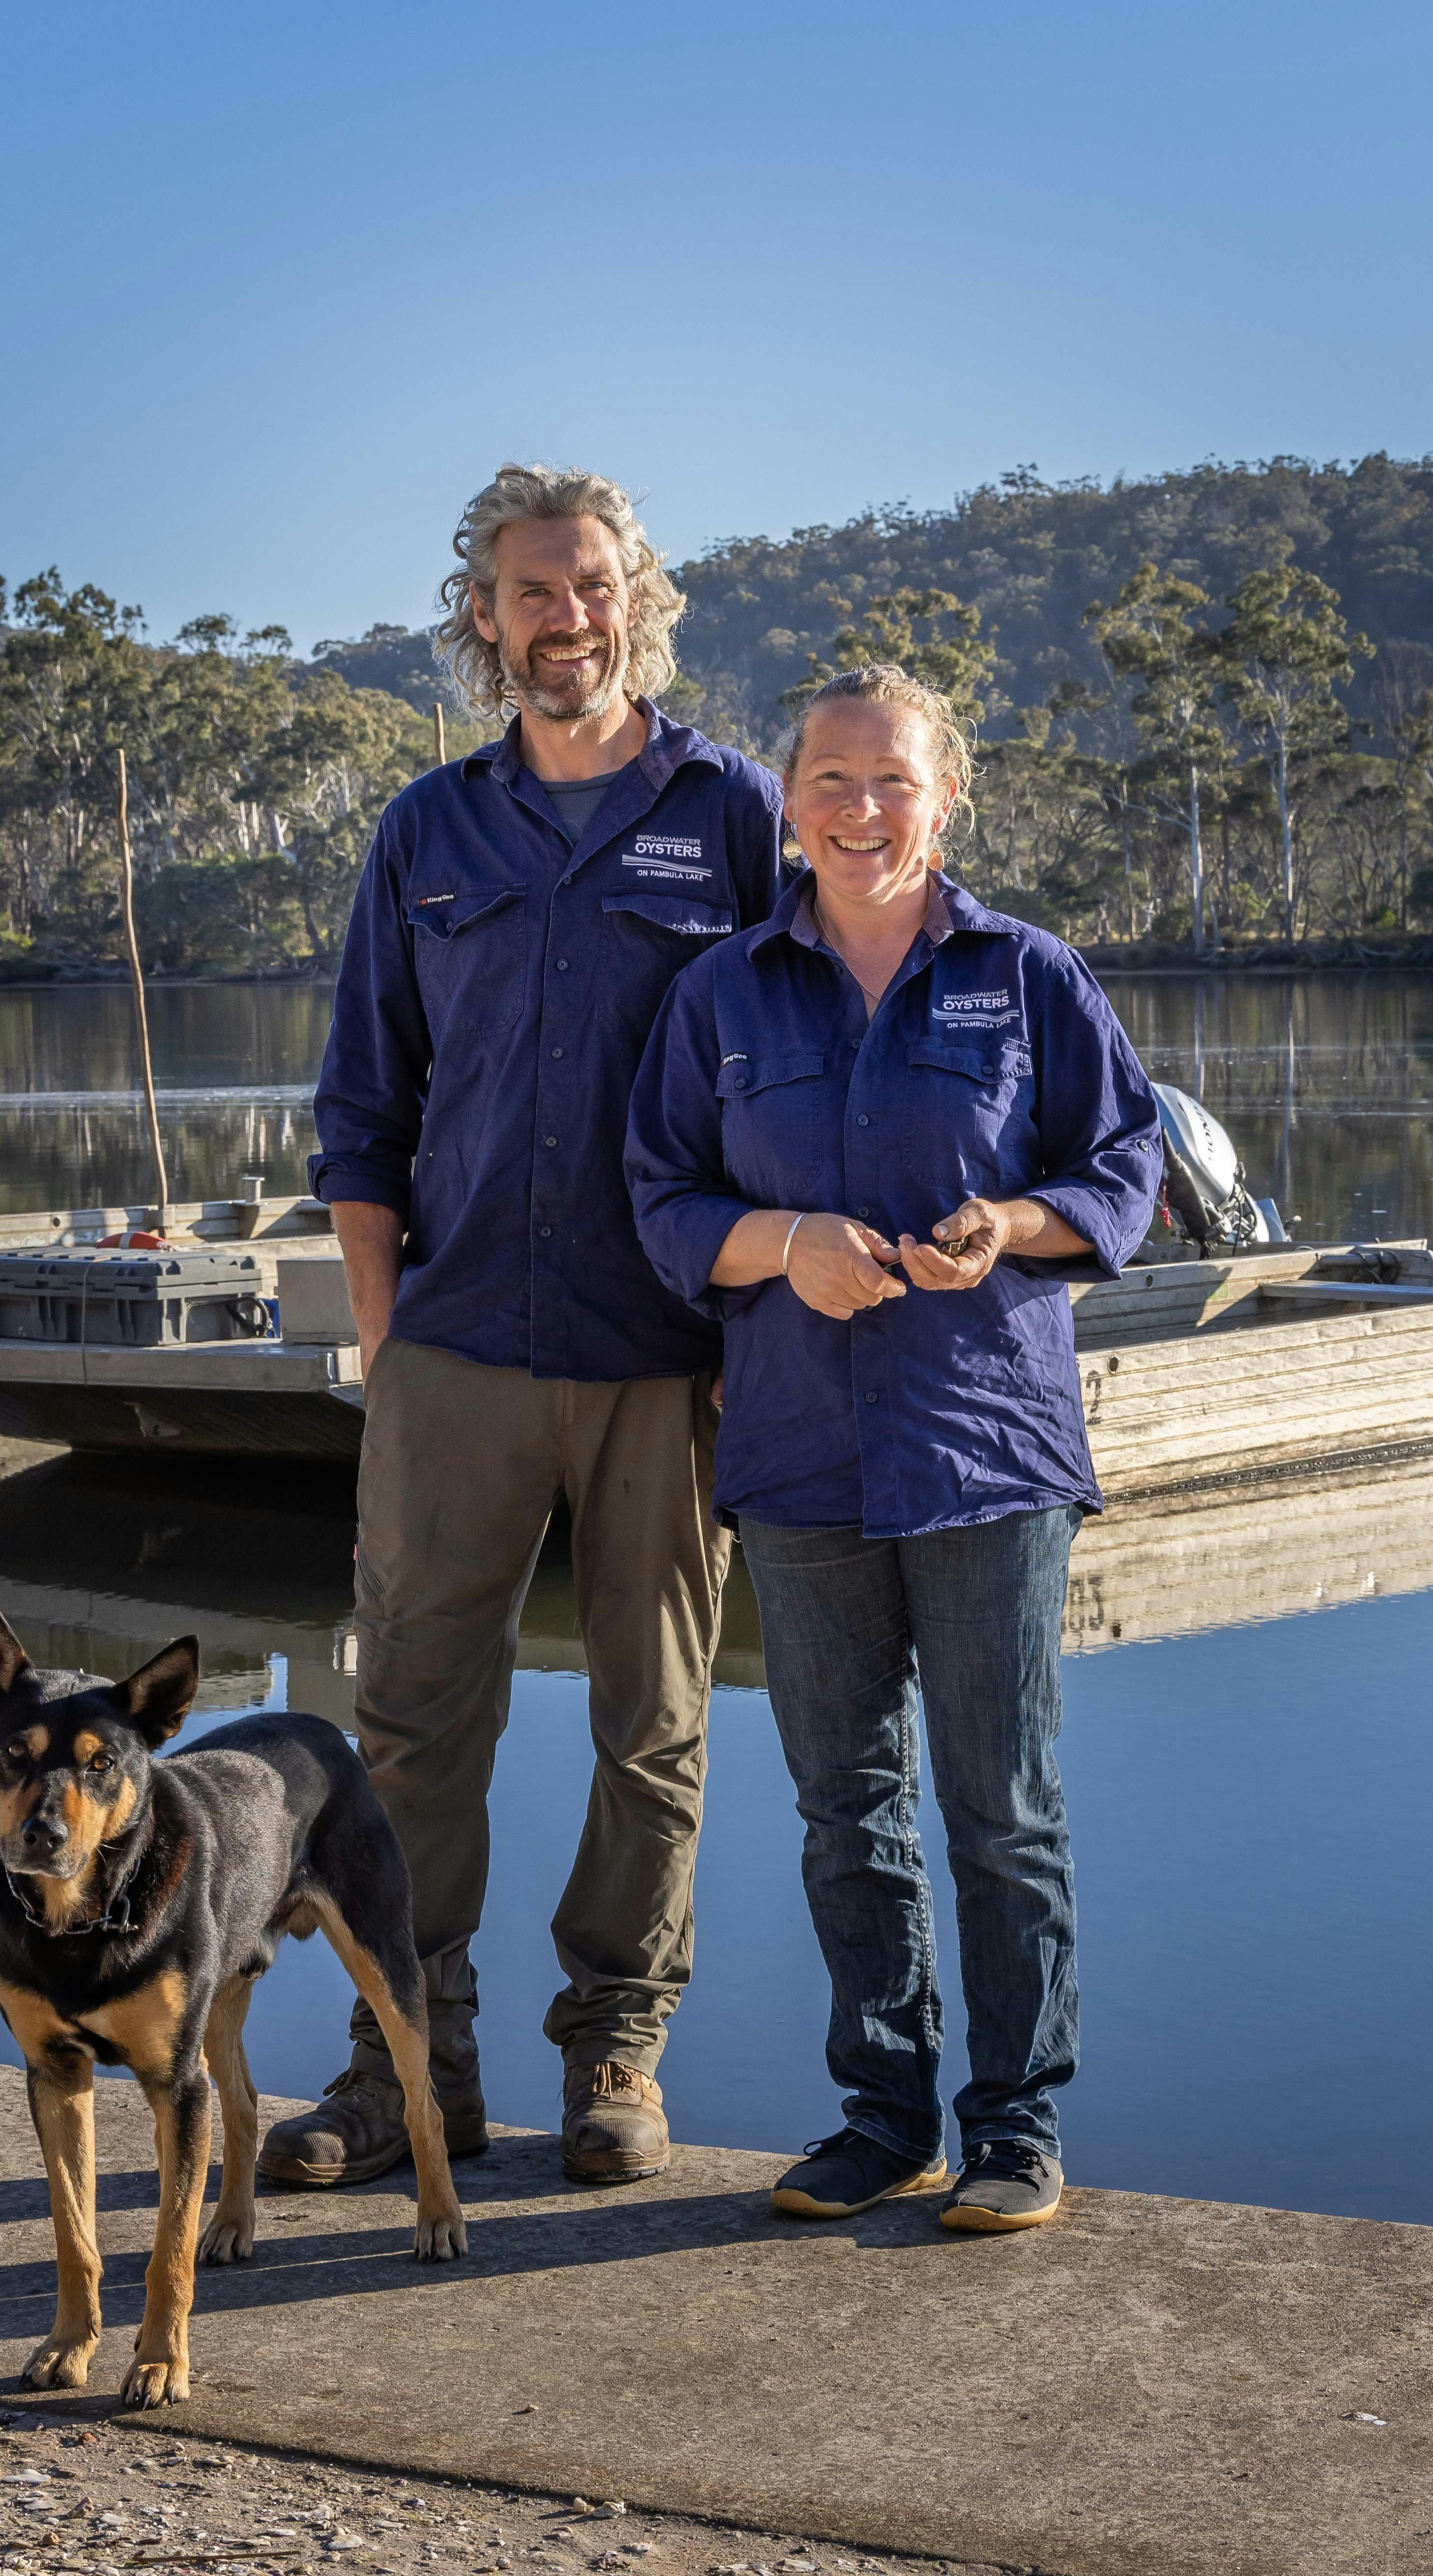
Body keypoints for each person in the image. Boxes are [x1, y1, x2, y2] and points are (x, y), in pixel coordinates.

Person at [267, 465, 784, 2193]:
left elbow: (799, 1065)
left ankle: (615, 2062)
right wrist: (390, 1336)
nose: (565, 619)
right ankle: (404, 2068)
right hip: (460, 1351)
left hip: (666, 1355)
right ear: (480, 620)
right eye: (529, 594)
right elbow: (364, 1101)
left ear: (638, 597)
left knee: (654, 1723)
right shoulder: (428, 833)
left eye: (591, 586)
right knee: (412, 1724)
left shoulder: (736, 818)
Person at [625, 665, 1161, 2231]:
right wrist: (782, 1242)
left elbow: (1124, 1168)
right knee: (843, 1806)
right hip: (796, 1457)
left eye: (892, 784)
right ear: (788, 801)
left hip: (985, 1448)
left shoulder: (1031, 976)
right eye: (831, 781)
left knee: (1002, 1807)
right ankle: (880, 2114)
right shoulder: (721, 994)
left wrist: (1012, 1221)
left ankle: (1014, 2126)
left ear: (947, 799)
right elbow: (662, 1199)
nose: (861, 811)